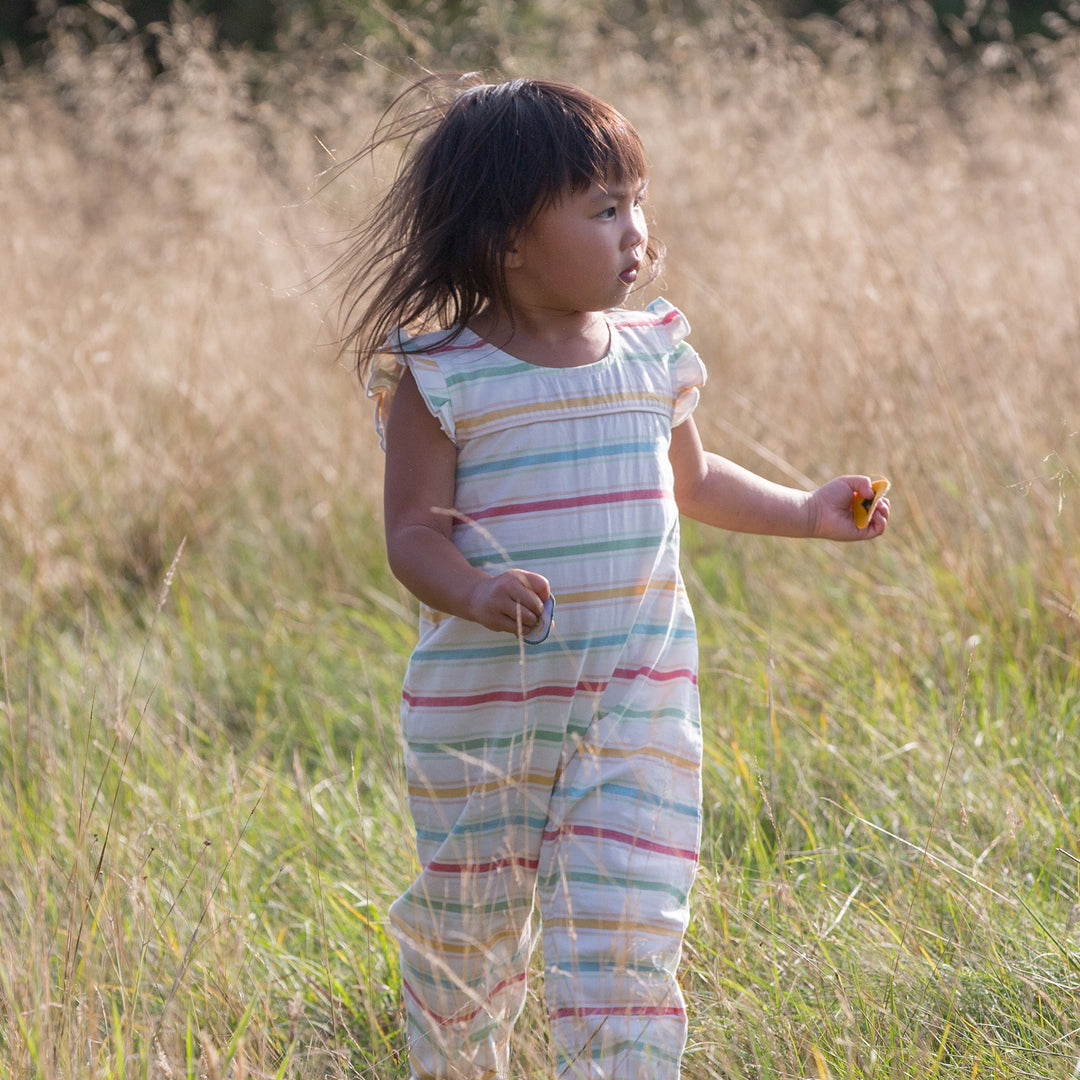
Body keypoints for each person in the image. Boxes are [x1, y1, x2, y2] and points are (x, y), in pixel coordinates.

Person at [338, 74, 889, 1080]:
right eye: (603, 209)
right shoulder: (443, 375)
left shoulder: (651, 354)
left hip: (635, 706)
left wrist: (807, 513)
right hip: (485, 715)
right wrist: (469, 589)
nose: (637, 231)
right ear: (505, 238)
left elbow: (695, 480)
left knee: (632, 928)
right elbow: (411, 532)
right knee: (471, 933)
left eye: (636, 201)